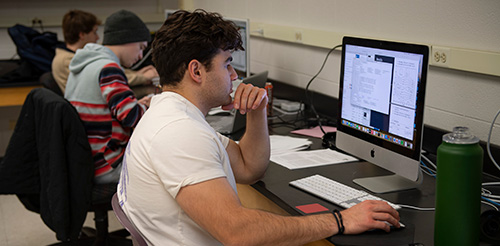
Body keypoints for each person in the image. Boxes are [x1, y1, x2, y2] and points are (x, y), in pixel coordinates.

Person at [117, 9, 401, 245]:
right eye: (227, 64)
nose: (234, 75)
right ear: (196, 71)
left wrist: (257, 112)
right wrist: (340, 220)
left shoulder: (172, 114)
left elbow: (249, 168)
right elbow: (237, 231)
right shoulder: (179, 132)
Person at [65, 10, 152, 184]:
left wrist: (136, 105)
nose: (141, 55)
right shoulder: (108, 68)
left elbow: (111, 109)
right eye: (141, 47)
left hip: (84, 159)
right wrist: (153, 104)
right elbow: (132, 118)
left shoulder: (85, 63)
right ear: (127, 40)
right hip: (107, 164)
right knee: (162, 169)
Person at [52, 9, 158, 98]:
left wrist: (139, 75)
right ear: (82, 35)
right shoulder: (69, 61)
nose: (98, 37)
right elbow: (111, 80)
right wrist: (143, 78)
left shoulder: (84, 58)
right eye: (94, 32)